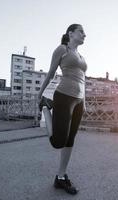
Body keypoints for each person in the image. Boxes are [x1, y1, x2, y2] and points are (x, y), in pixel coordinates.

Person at [38, 24, 87, 195]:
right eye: (81, 31)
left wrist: (84, 101)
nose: (84, 34)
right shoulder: (62, 49)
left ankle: (60, 177)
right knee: (58, 141)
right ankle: (45, 107)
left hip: (78, 101)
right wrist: (40, 93)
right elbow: (51, 72)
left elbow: (83, 80)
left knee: (70, 140)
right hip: (64, 96)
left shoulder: (80, 56)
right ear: (71, 33)